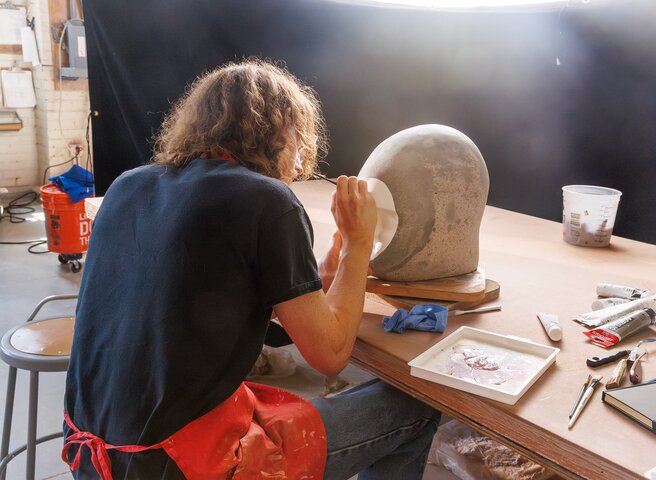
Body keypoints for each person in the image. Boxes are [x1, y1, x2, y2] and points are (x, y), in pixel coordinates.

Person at [63, 58, 440, 479]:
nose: (299, 165)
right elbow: (330, 356)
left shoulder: (127, 184)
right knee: (415, 406)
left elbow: (213, 295)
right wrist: (358, 241)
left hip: (94, 454)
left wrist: (327, 272)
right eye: (299, 143)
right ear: (281, 135)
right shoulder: (266, 200)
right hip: (175, 463)